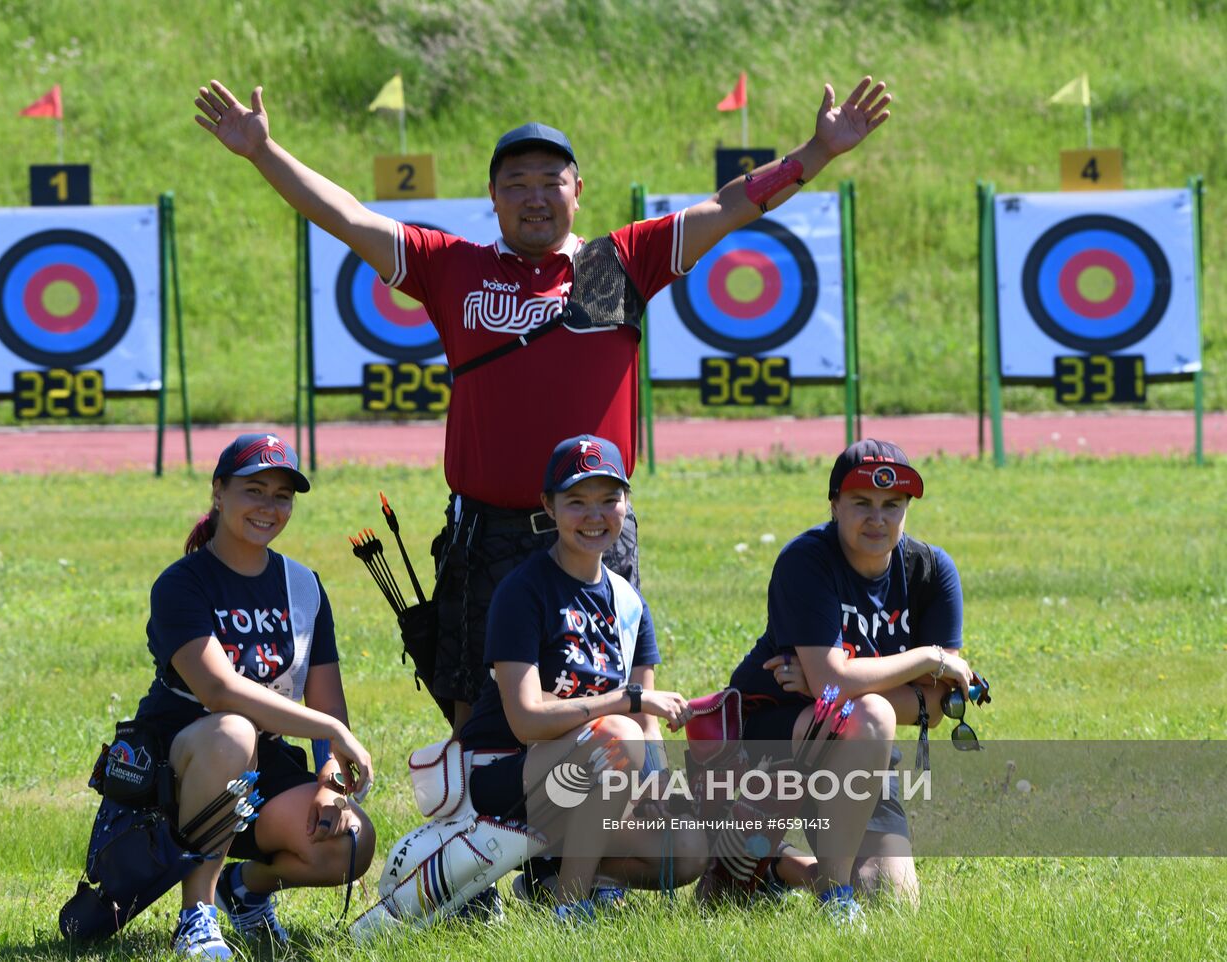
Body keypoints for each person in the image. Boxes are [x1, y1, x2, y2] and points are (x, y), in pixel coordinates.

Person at [193, 74, 894, 738]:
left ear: (578, 191)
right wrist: (262, 152)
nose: (535, 197)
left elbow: (730, 205)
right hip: (488, 530)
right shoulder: (453, 267)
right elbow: (343, 215)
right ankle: (476, 843)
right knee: (478, 700)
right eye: (516, 184)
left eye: (550, 181)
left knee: (616, 693)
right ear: (492, 198)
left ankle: (607, 846)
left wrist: (816, 153)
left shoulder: (616, 266)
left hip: (595, 523)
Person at [136, 432, 376, 959]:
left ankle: (243, 889)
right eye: (254, 489)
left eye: (282, 495)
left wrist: (330, 780)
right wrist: (333, 733)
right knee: (232, 729)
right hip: (180, 765)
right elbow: (218, 688)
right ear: (218, 492)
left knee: (348, 843)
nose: (269, 506)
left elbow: (326, 701)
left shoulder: (304, 585)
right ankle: (195, 919)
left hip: (260, 762)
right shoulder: (182, 583)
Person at [457, 434, 706, 922]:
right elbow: (527, 720)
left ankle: (558, 876)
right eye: (576, 501)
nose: (595, 516)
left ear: (626, 504)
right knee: (618, 733)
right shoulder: (522, 591)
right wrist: (623, 704)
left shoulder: (629, 602)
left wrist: (656, 787)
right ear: (548, 507)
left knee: (688, 851)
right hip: (505, 775)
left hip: (596, 773)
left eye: (609, 500)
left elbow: (647, 724)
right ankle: (570, 907)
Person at [725, 439, 972, 923]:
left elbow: (938, 707)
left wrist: (842, 682)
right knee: (872, 711)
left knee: (891, 900)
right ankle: (832, 896)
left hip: (861, 751)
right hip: (773, 736)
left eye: (892, 506)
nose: (877, 518)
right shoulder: (806, 561)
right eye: (861, 503)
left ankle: (778, 867)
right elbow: (832, 683)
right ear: (834, 504)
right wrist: (925, 657)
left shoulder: (931, 571)